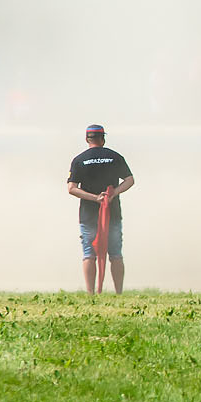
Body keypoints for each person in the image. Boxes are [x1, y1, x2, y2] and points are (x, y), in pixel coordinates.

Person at [67, 124, 135, 293]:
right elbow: (130, 180)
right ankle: (118, 292)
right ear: (103, 138)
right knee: (115, 254)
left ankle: (91, 293)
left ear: (86, 139)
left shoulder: (79, 160)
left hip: (88, 214)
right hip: (112, 212)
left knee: (89, 253)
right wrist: (112, 194)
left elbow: (71, 188)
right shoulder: (115, 157)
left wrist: (95, 198)